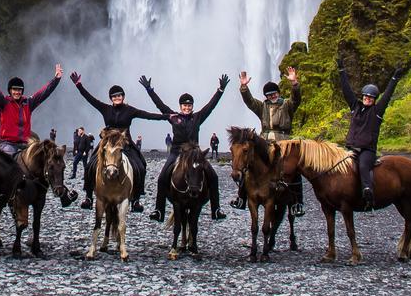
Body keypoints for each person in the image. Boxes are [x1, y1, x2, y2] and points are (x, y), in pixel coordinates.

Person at [70, 73, 163, 212]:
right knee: (90, 164)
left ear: (123, 97)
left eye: (119, 96)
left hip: (125, 143)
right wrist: (79, 85)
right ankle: (88, 197)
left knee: (141, 165)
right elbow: (90, 99)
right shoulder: (105, 108)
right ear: (111, 98)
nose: (117, 98)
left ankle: (136, 199)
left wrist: (168, 117)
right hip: (107, 142)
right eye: (114, 96)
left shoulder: (130, 110)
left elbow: (148, 115)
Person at [142, 74, 229, 222]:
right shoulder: (173, 116)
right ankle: (159, 210)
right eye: (184, 105)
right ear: (180, 106)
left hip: (194, 154)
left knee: (213, 176)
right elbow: (160, 105)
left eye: (189, 105)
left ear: (192, 106)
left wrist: (220, 90)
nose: (187, 107)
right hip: (177, 152)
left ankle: (216, 210)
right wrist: (149, 90)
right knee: (162, 177)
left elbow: (211, 105)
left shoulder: (198, 117)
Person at [236, 66, 304, 215]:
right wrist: (244, 87)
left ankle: (297, 203)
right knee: (249, 166)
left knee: (294, 169)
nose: (272, 96)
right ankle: (240, 198)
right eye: (269, 95)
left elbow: (296, 99)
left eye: (274, 94)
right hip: (265, 142)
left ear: (278, 93)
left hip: (284, 141)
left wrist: (294, 83)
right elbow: (250, 102)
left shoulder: (287, 105)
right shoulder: (262, 107)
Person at [337, 59, 406, 206]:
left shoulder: (377, 111)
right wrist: (342, 70)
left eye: (370, 98)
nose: (367, 99)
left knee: (363, 166)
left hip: (367, 150)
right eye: (365, 96)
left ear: (374, 100)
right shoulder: (355, 107)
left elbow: (387, 95)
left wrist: (395, 78)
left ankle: (368, 191)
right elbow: (346, 90)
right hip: (350, 148)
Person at [0, 61, 62, 156]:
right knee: (9, 162)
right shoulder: (3, 102)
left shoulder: (28, 103)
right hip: (7, 143)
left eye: (19, 90)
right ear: (10, 90)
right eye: (14, 89)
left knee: (41, 159)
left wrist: (56, 79)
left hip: (25, 144)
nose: (17, 92)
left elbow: (44, 93)